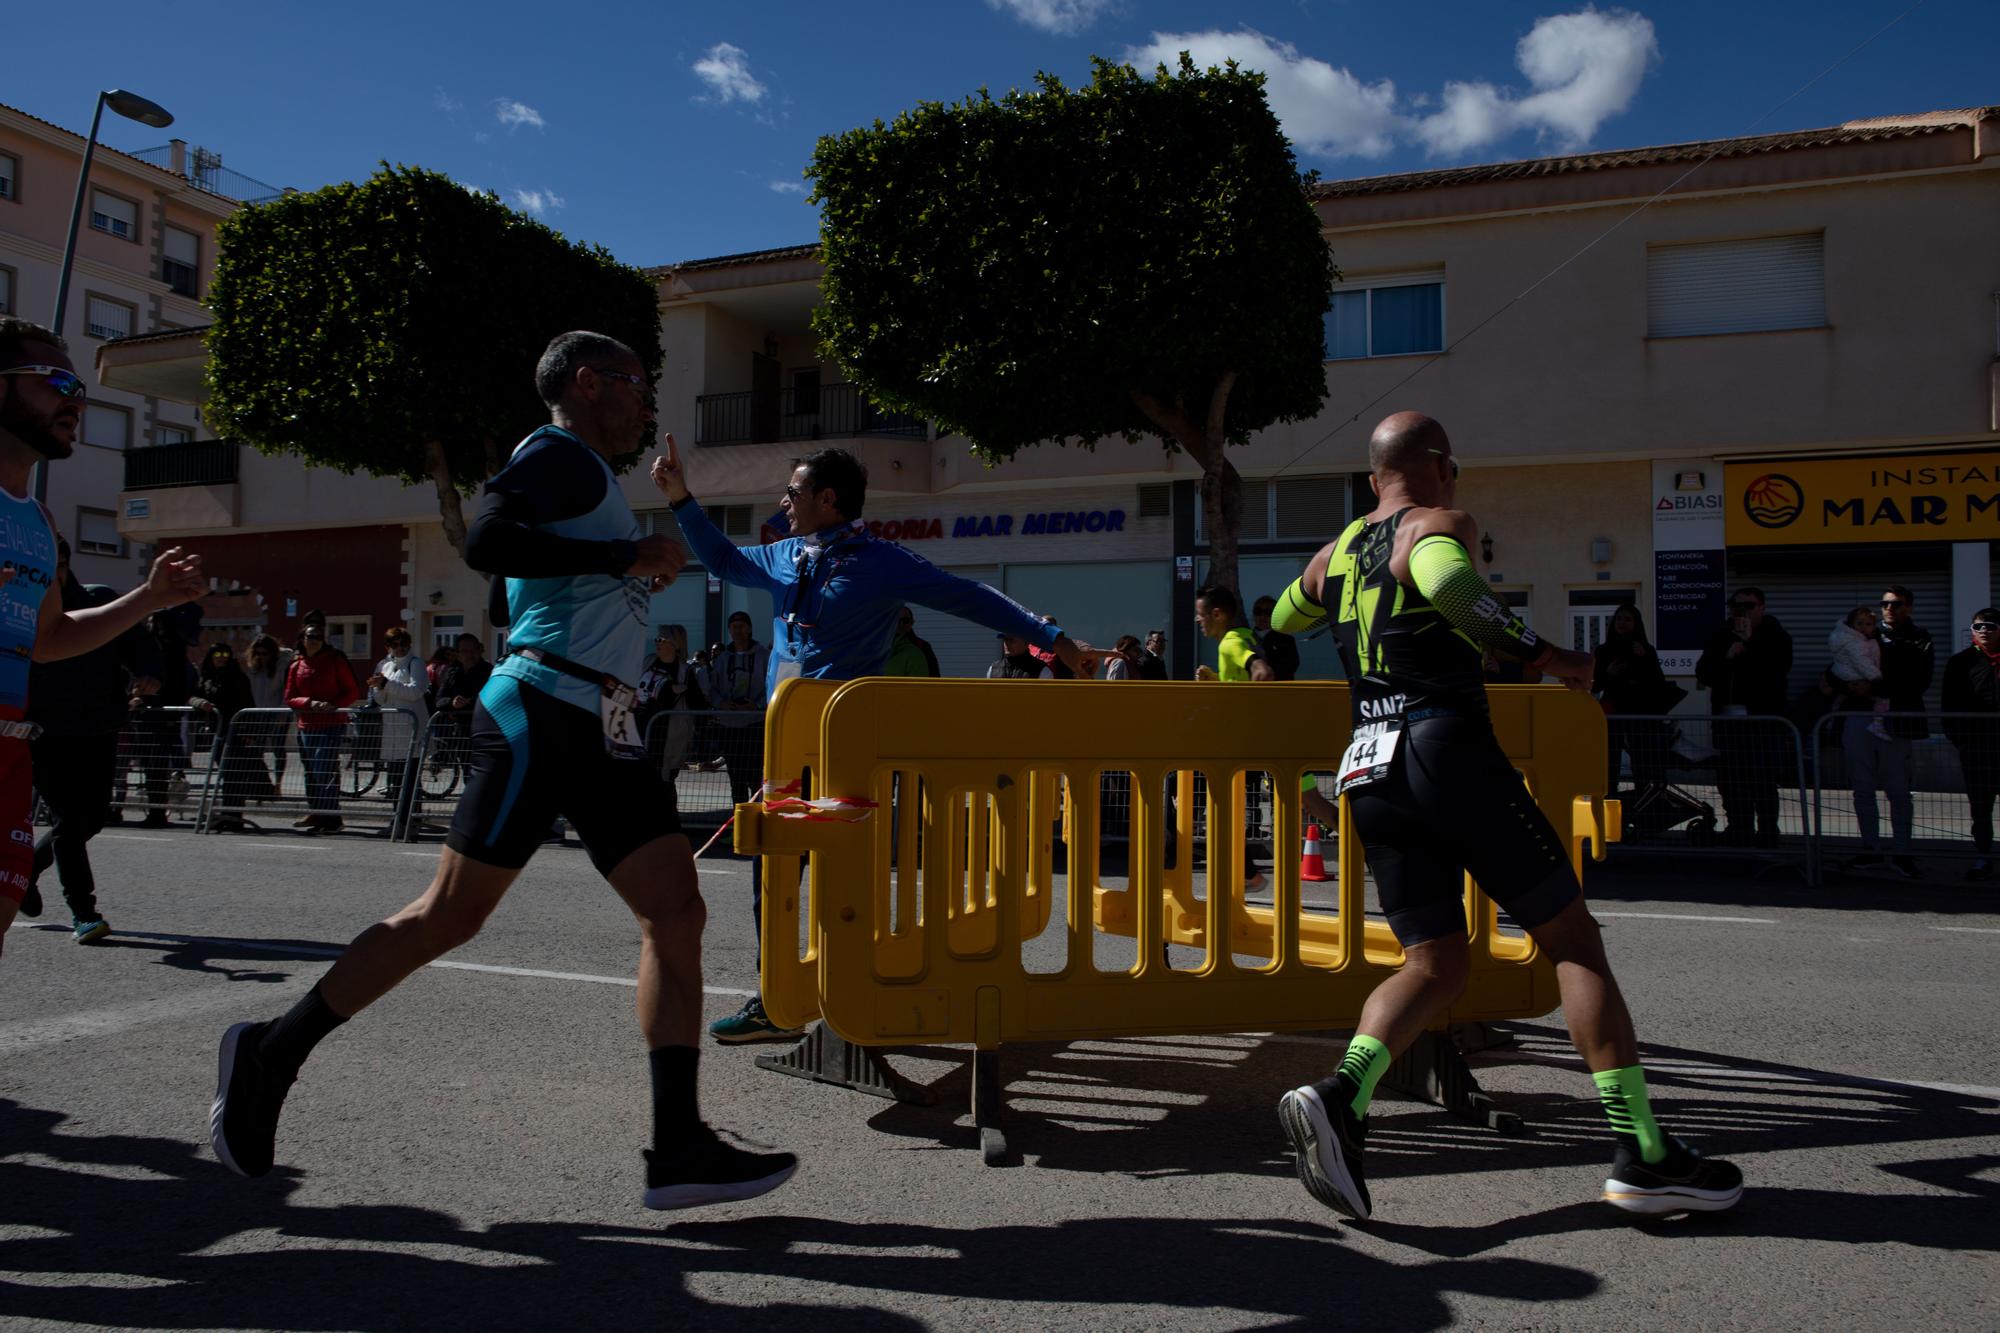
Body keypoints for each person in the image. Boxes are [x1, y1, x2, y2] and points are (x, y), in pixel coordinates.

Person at [208, 329, 796, 1210]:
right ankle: (268, 1056)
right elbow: (485, 538)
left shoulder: (587, 479)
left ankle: (677, 1144)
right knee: (448, 917)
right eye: (638, 385)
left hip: (604, 721)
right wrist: (619, 557)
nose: (647, 404)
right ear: (590, 383)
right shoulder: (557, 453)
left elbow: (512, 584)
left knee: (677, 906)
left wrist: (621, 570)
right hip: (546, 714)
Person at [1267, 411, 1741, 1220]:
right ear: (1441, 465)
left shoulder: (1334, 552)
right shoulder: (1439, 522)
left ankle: (1342, 1094)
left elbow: (1283, 621)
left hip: (1371, 764)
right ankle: (1645, 1152)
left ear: (1372, 475)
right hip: (1445, 745)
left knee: (1435, 962)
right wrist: (1555, 658)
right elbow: (1453, 588)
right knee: (1571, 939)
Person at [650, 437, 1090, 1043]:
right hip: (786, 744)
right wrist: (680, 499)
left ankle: (857, 995)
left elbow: (969, 597)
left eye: (794, 491)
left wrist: (1054, 638)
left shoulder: (882, 561)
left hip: (847, 746)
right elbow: (724, 561)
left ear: (827, 499)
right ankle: (775, 998)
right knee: (773, 874)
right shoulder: (786, 555)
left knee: (845, 877)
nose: (785, 500)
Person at [0, 316, 206, 963]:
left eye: (80, 385)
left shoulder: (38, 521)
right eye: (56, 381)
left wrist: (147, 598)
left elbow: (50, 637)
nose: (76, 399)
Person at [19, 538, 163, 941]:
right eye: (49, 567)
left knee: (91, 821)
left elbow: (141, 646)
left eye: (61, 565)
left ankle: (27, 870)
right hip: (45, 733)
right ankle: (84, 912)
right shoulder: (22, 609)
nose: (56, 575)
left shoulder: (99, 600)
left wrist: (149, 673)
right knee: (71, 821)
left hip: (99, 726)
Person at [1695, 587, 1793, 847]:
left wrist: (1749, 645)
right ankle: (1739, 828)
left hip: (1762, 721)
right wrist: (1727, 655)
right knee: (1731, 778)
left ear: (1761, 607)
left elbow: (1776, 673)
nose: (1740, 611)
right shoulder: (1721, 634)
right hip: (1728, 719)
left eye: (1748, 606)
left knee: (1762, 778)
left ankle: (1768, 832)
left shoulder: (1776, 636)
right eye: (1734, 605)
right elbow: (1704, 672)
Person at [1193, 583, 1272, 888]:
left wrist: (1249, 719)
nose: (1198, 622)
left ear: (1217, 614)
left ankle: (1248, 875)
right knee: (1312, 802)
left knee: (1221, 811)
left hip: (1242, 745)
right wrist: (1215, 679)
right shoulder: (1245, 636)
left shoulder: (1230, 643)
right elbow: (1239, 681)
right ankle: (1246, 874)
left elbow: (1260, 672)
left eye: (1201, 615)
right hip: (1260, 742)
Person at [1855, 584, 1933, 877]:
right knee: (1862, 787)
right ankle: (1869, 849)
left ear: (1908, 607)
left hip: (1898, 720)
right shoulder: (1867, 633)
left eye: (1897, 604)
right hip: (1863, 718)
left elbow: (1919, 679)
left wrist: (1875, 687)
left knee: (1898, 790)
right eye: (1885, 604)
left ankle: (1902, 852)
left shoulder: (1919, 638)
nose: (1890, 608)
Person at [284, 622, 362, 833]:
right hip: (306, 725)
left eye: (318, 636)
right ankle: (317, 812)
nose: (315, 640)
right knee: (310, 772)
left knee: (323, 769)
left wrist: (334, 706)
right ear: (303, 640)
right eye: (310, 636)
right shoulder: (296, 666)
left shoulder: (335, 661)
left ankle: (332, 818)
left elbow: (352, 690)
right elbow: (289, 697)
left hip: (331, 724)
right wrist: (309, 703)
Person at [1942, 610, 2000, 880]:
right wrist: (1962, 741)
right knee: (1980, 804)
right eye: (1979, 626)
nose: (1985, 631)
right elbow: (1949, 706)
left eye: (1991, 626)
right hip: (1977, 746)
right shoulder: (1960, 663)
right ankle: (1983, 856)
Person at [1593, 602, 1675, 794]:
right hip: (1613, 710)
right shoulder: (1604, 650)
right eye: (1619, 618)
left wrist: (1643, 657)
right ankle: (1610, 796)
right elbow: (1596, 684)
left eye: (1627, 619)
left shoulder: (1646, 649)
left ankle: (1643, 797)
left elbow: (1657, 682)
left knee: (1641, 757)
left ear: (1636, 623)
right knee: (1610, 756)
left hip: (1639, 711)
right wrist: (1608, 672)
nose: (1622, 623)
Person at [706, 611, 769, 809]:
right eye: (733, 626)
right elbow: (712, 688)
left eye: (742, 626)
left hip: (755, 723)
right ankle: (739, 824)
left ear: (749, 628)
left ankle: (759, 822)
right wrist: (721, 703)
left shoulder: (763, 656)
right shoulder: (723, 658)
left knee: (756, 776)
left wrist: (757, 704)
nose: (737, 630)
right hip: (730, 724)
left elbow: (772, 683)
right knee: (736, 778)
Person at [191, 642, 257, 833]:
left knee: (234, 775)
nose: (222, 656)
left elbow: (248, 704)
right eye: (217, 653)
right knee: (225, 775)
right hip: (217, 732)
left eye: (225, 653)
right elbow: (192, 696)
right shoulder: (207, 677)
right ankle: (227, 814)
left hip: (236, 731)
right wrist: (199, 702)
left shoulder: (238, 677)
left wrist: (248, 732)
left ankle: (234, 816)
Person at [368, 627, 431, 809]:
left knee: (410, 781)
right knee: (395, 780)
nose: (400, 648)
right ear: (388, 646)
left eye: (404, 644)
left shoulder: (416, 663)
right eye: (395, 644)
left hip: (411, 731)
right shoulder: (386, 666)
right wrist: (379, 687)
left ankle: (409, 820)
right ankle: (398, 819)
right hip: (393, 732)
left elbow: (416, 691)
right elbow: (380, 699)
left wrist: (387, 684)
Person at [636, 624, 706, 782]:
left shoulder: (685, 671)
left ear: (675, 644)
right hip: (642, 727)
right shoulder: (648, 661)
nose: (656, 643)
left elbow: (698, 703)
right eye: (656, 639)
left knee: (666, 780)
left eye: (661, 639)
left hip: (670, 734)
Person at [1826, 606, 1893, 741]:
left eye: (1868, 624)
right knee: (1883, 699)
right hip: (1855, 677)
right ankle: (1878, 724)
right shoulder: (1855, 642)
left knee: (1840, 698)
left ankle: (1831, 719)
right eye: (1859, 623)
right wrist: (1876, 678)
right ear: (1851, 625)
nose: (1863, 627)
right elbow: (1861, 662)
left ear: (1874, 626)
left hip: (1846, 677)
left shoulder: (1856, 640)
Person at [242, 633, 292, 800]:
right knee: (255, 750)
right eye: (258, 654)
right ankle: (259, 784)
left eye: (265, 653)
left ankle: (278, 785)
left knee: (278, 749)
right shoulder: (252, 668)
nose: (261, 657)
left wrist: (283, 711)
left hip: (277, 712)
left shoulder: (282, 666)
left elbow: (287, 690)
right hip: (256, 713)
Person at [1252, 595, 1301, 682]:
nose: (1262, 617)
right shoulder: (1246, 638)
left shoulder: (1286, 640)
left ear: (1275, 615)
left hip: (1278, 689)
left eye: (1268, 612)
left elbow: (1292, 666)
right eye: (1258, 611)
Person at [882, 607, 941, 677]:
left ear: (912, 622)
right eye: (896, 620)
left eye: (905, 620)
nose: (900, 624)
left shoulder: (922, 646)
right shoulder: (878, 646)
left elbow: (934, 676)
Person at [988, 633, 1053, 679]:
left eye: (1011, 640)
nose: (1007, 643)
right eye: (1005, 639)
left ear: (1026, 642)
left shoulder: (1042, 670)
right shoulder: (993, 668)